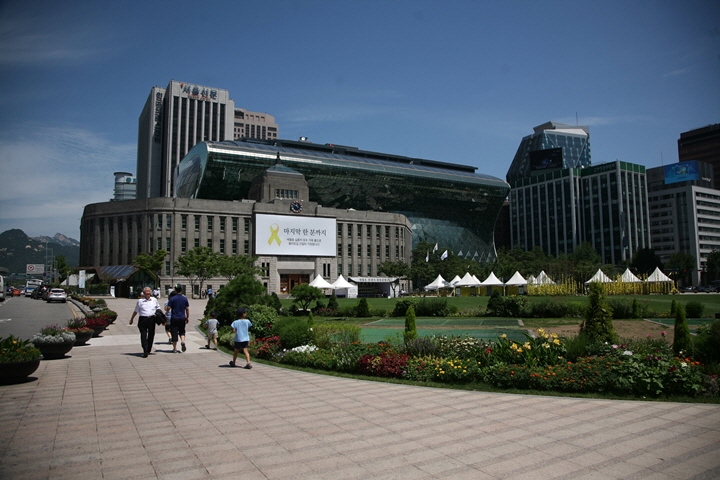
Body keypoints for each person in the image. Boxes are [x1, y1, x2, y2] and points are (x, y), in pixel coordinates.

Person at [129, 287, 161, 358]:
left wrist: (162, 319)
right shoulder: (140, 301)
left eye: (149, 291)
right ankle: (145, 350)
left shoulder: (154, 300)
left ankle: (148, 349)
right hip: (143, 319)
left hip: (152, 319)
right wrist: (132, 319)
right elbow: (136, 311)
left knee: (151, 334)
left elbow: (158, 309)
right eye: (146, 291)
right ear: (144, 293)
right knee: (143, 335)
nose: (148, 293)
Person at [167, 285, 190, 353]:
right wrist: (187, 317)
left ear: (175, 290)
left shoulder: (172, 298)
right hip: (182, 317)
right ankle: (182, 341)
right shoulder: (184, 298)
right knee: (182, 331)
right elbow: (187, 309)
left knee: (174, 332)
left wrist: (168, 308)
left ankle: (175, 348)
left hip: (174, 317)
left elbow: (168, 308)